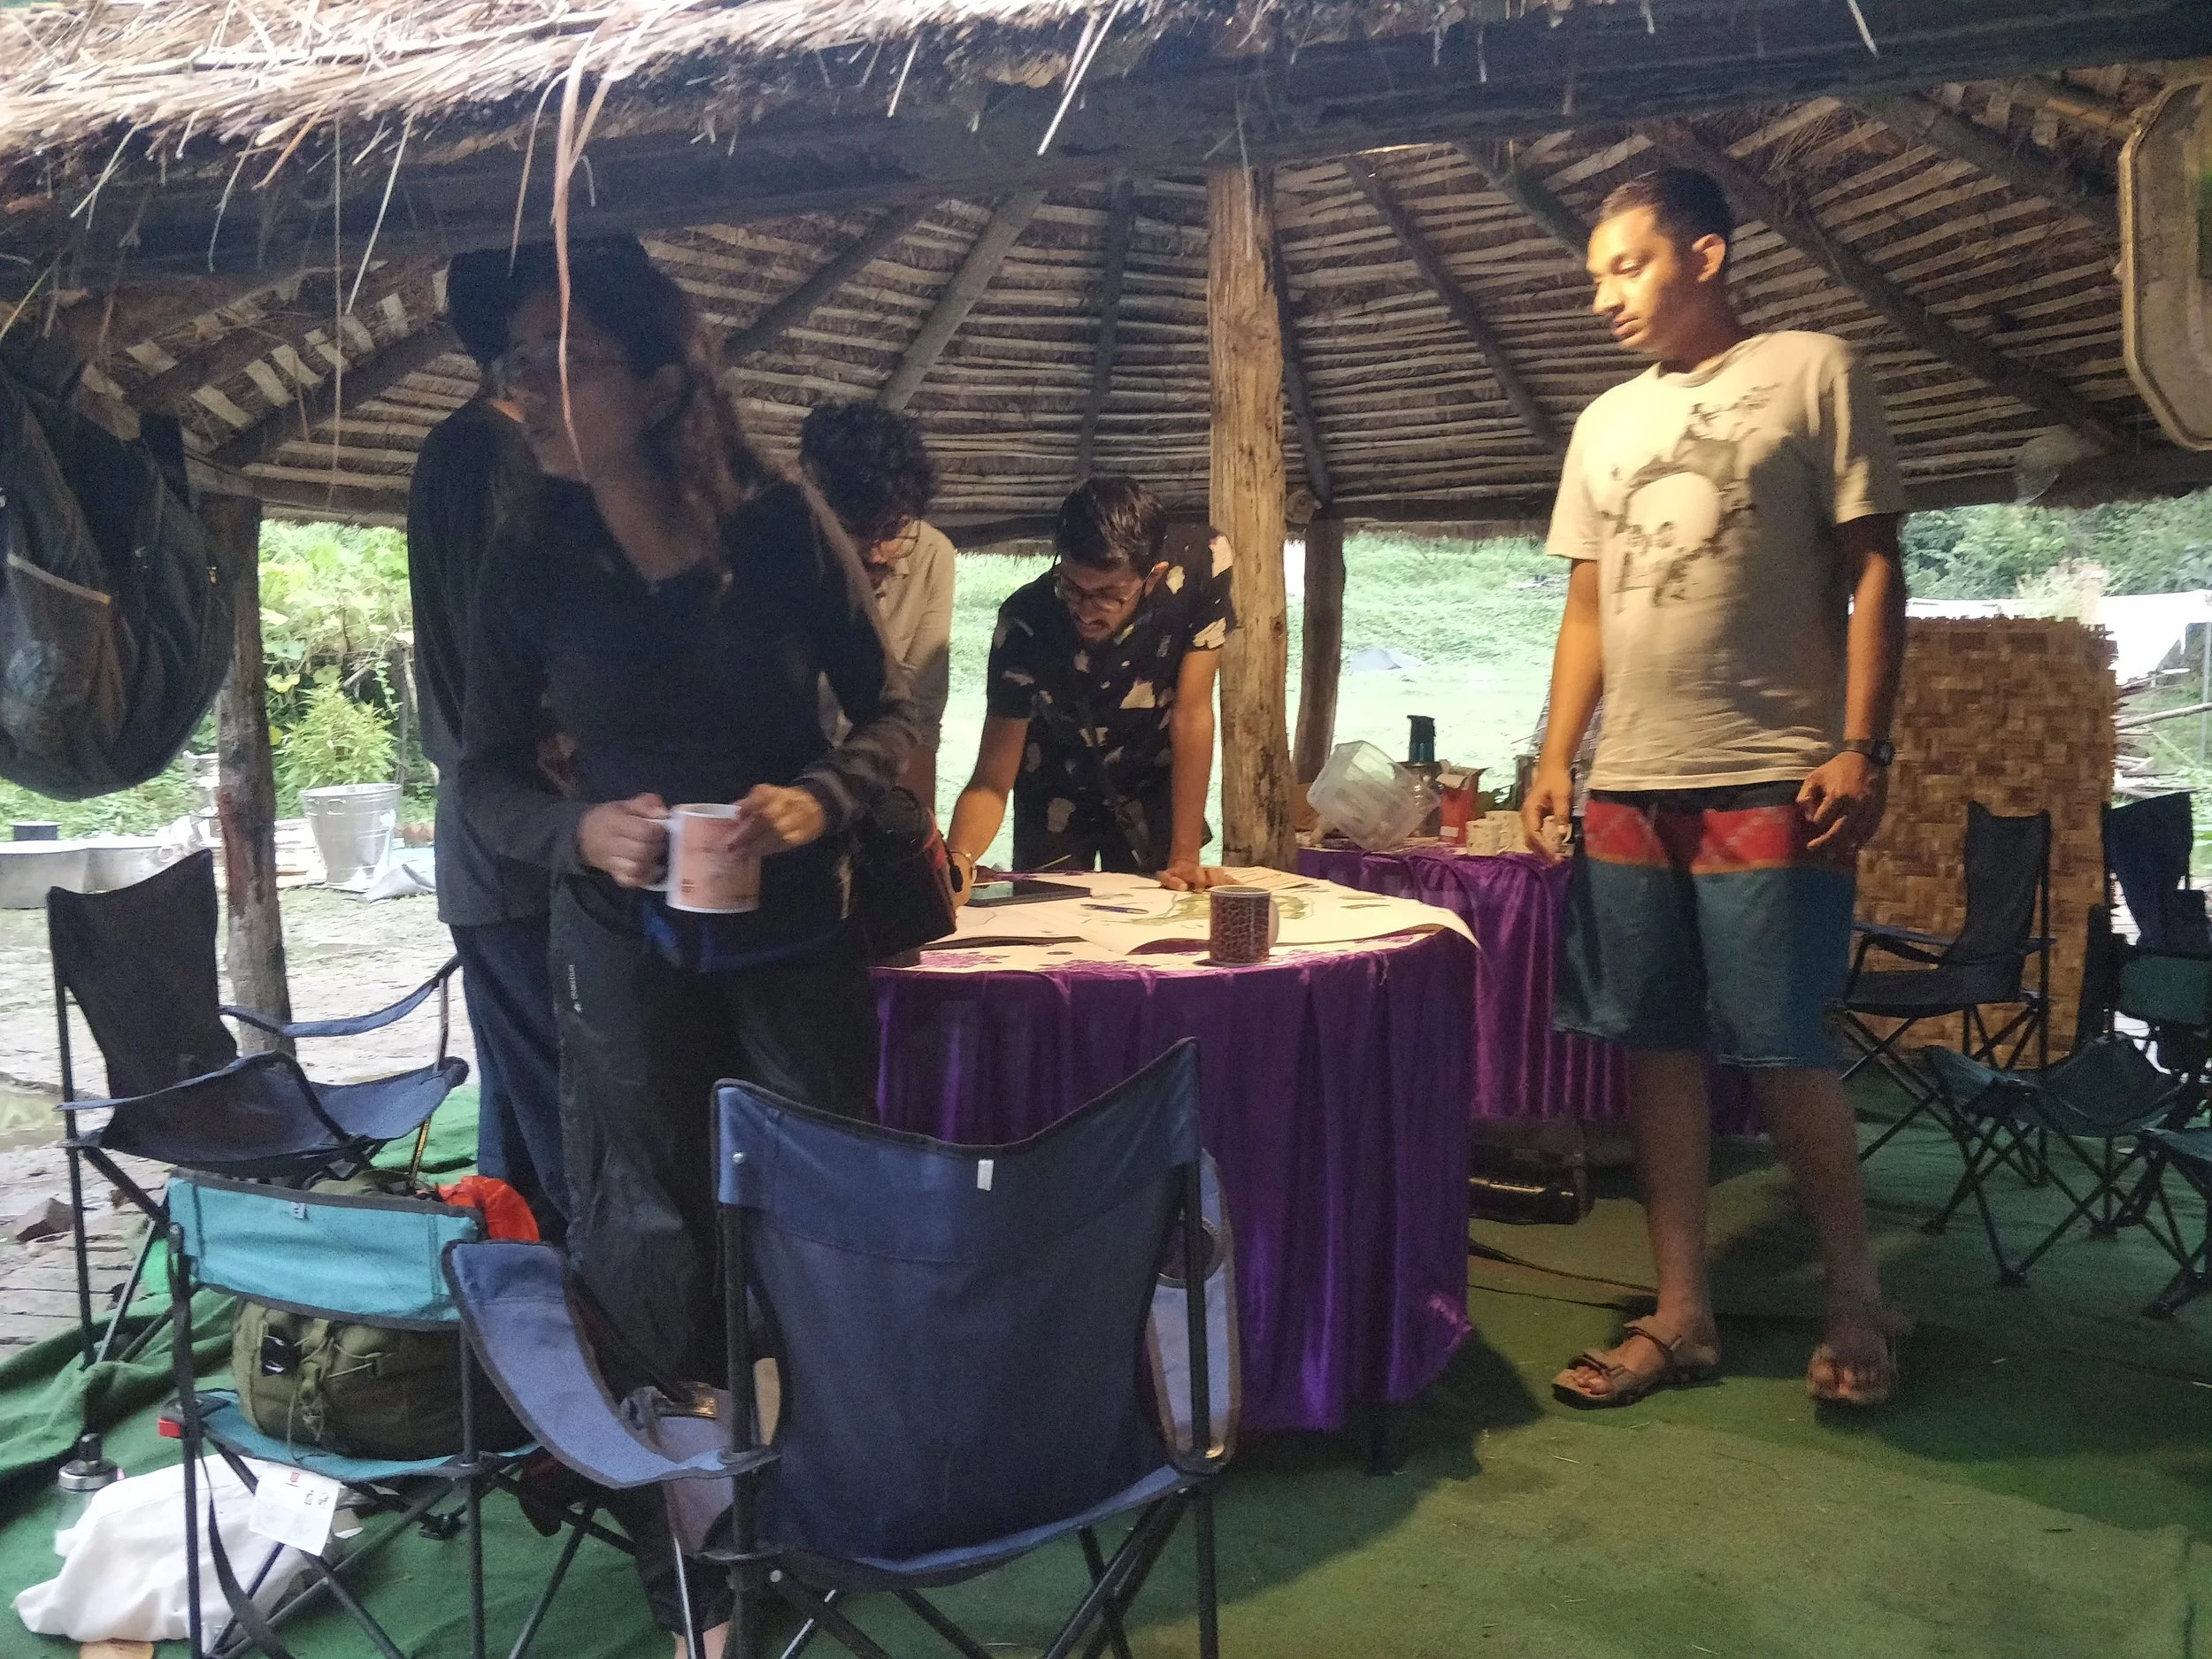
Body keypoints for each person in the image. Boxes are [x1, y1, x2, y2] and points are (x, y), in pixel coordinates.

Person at [457, 237, 917, 1653]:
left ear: (662, 385)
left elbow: (889, 718)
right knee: (646, 1240)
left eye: (564, 363)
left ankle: (834, 1502)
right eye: (515, 366)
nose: (528, 391)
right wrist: (578, 833)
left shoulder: (782, 530)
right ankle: (701, 1585)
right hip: (617, 936)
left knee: (818, 1215)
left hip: (791, 931)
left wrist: (820, 796)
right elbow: (478, 775)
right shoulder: (530, 546)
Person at [1523, 167, 1910, 1410]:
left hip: (1771, 767)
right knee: (1655, 1043)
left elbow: (1876, 567)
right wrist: (1552, 756)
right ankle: (1682, 1312)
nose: (1605, 298)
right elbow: (1587, 605)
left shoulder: (1812, 369)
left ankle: (1858, 1294)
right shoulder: (1603, 425)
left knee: (1785, 1042)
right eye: (1595, 275)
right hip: (1632, 775)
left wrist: (1863, 743)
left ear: (1705, 253)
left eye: (1626, 266)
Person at [405, 250, 565, 1237]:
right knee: (555, 1100)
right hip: (518, 835)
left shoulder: (464, 453)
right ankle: (584, 1332)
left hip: (504, 831)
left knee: (518, 1098)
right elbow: (513, 665)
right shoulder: (491, 459)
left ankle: (519, 1328)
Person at [944, 476, 1233, 895]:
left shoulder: (1203, 566)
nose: (1085, 611)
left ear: (1152, 577)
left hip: (1150, 785)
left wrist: (1185, 857)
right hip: (1053, 787)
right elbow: (991, 779)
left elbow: (1192, 713)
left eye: (1108, 595)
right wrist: (959, 861)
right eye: (1072, 587)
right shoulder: (1026, 621)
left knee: (1155, 920)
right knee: (1047, 926)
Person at [798, 400, 953, 806]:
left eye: (895, 529)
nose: (881, 553)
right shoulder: (772, 555)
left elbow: (919, 721)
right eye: (862, 534)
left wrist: (918, 848)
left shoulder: (930, 556)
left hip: (862, 787)